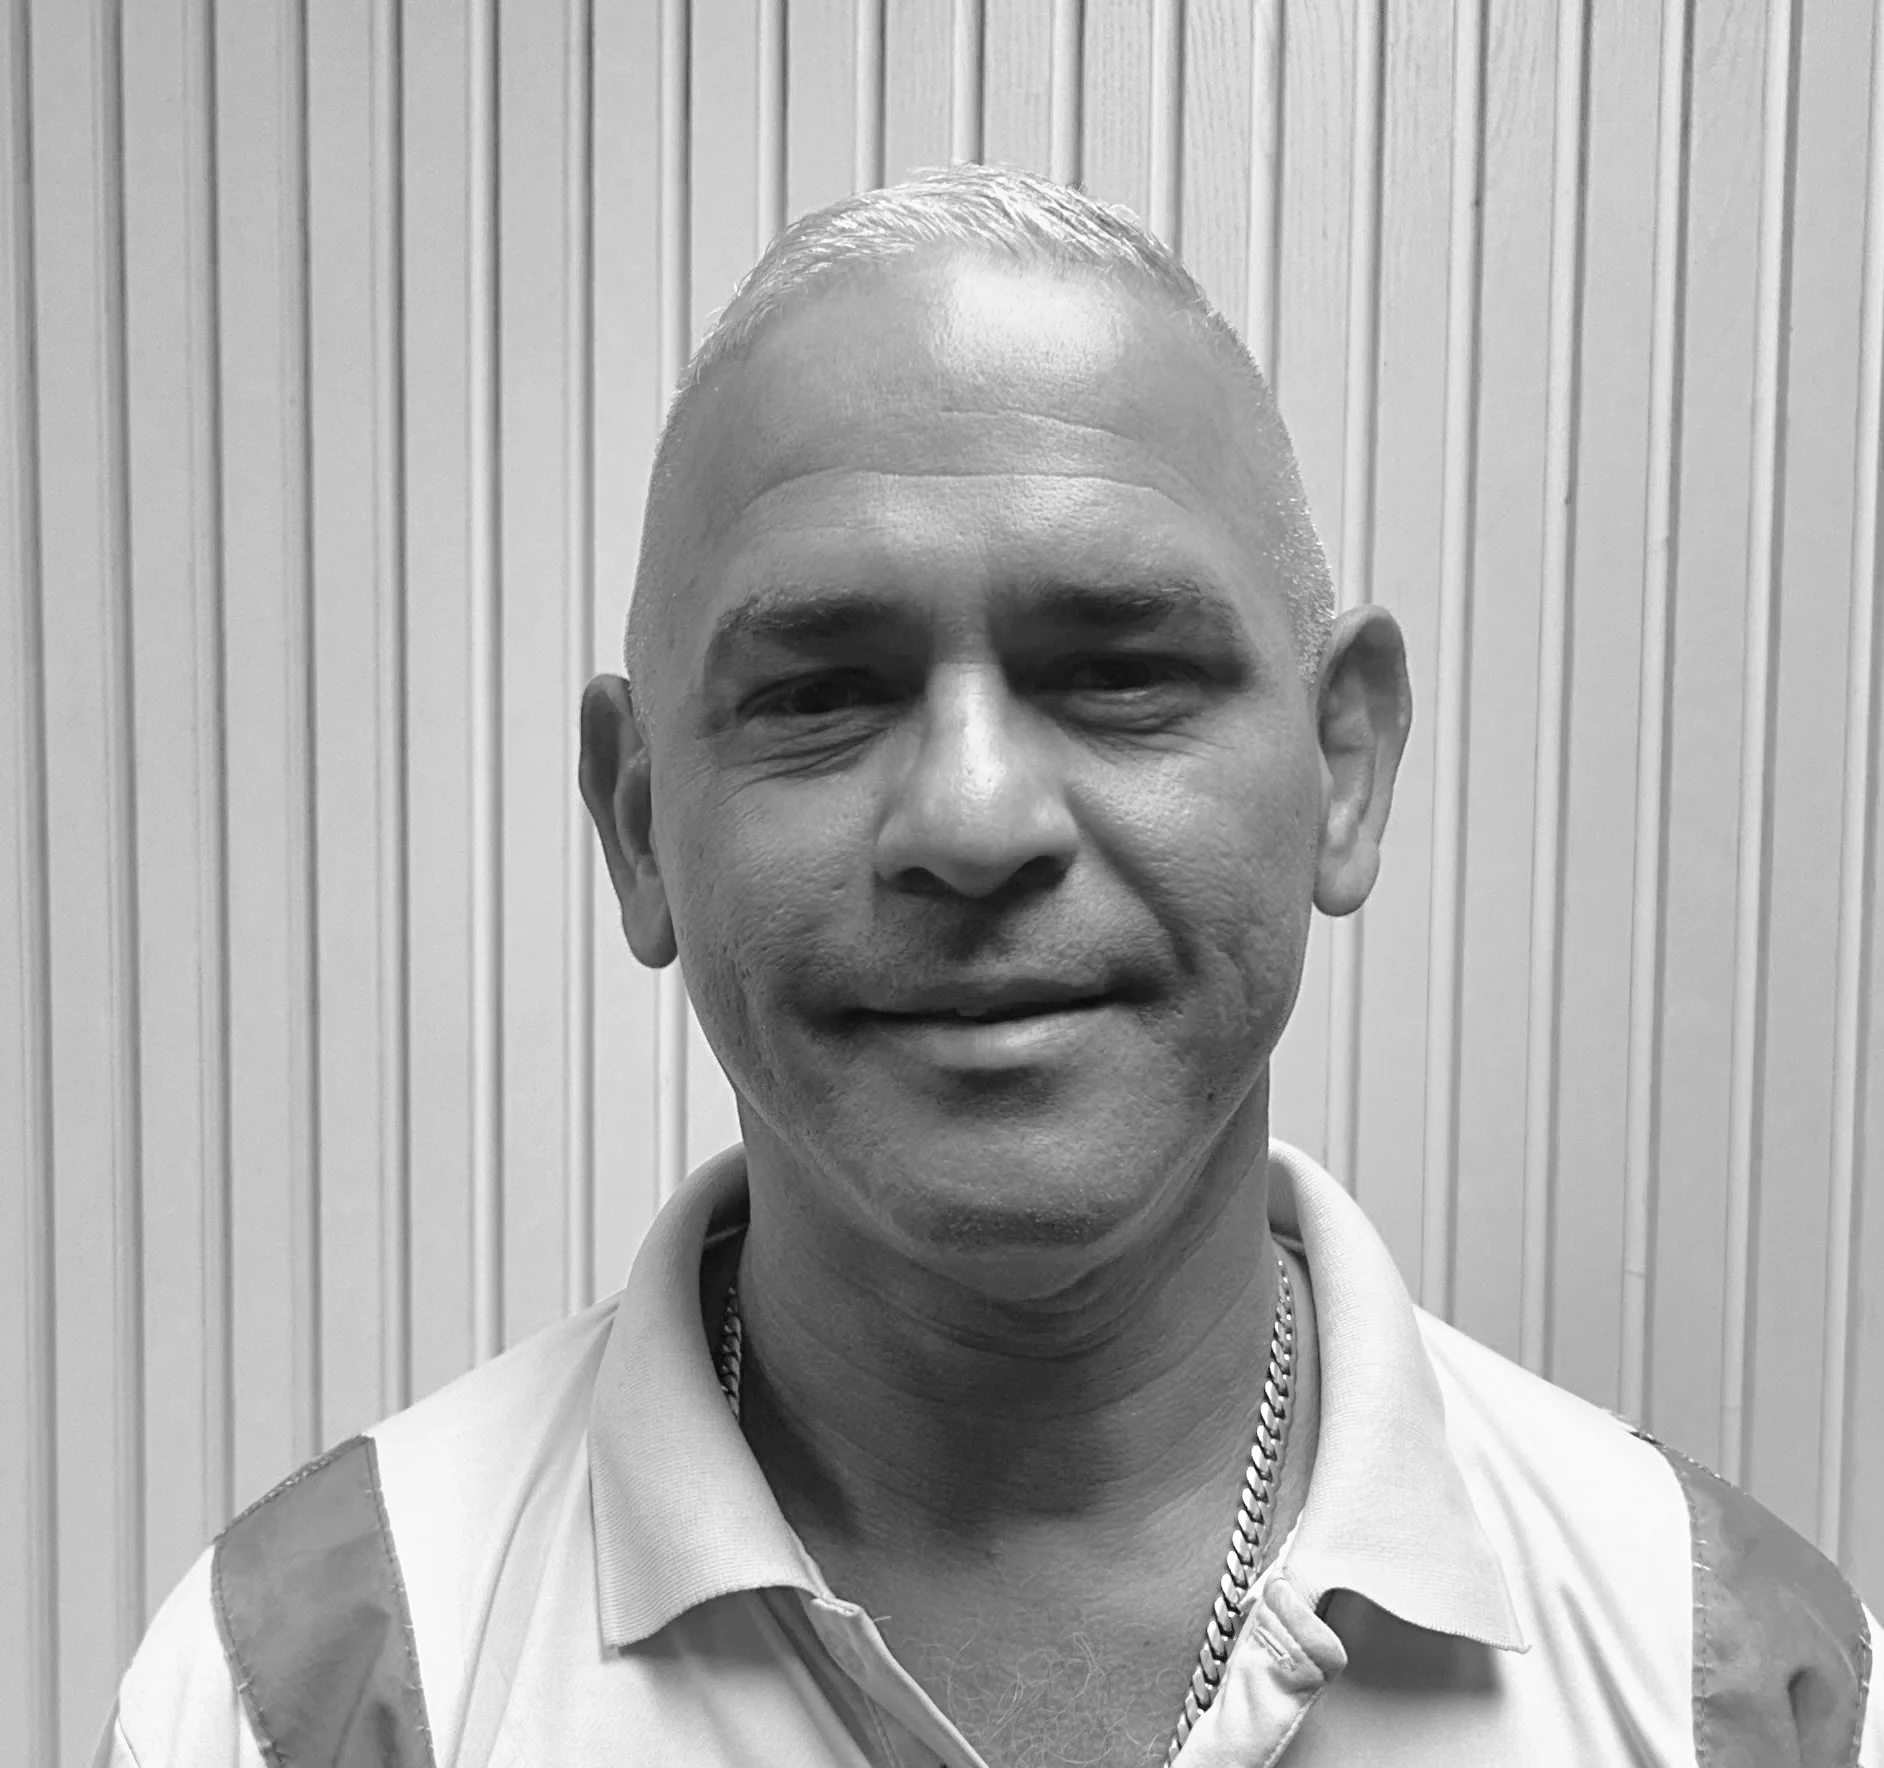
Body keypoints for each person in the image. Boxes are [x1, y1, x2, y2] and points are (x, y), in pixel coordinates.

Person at [98, 162, 1878, 1768]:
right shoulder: (305, 1692)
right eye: (819, 692)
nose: (970, 815)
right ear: (640, 828)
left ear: (1343, 769)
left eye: (1117, 667)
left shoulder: (1743, 1685)